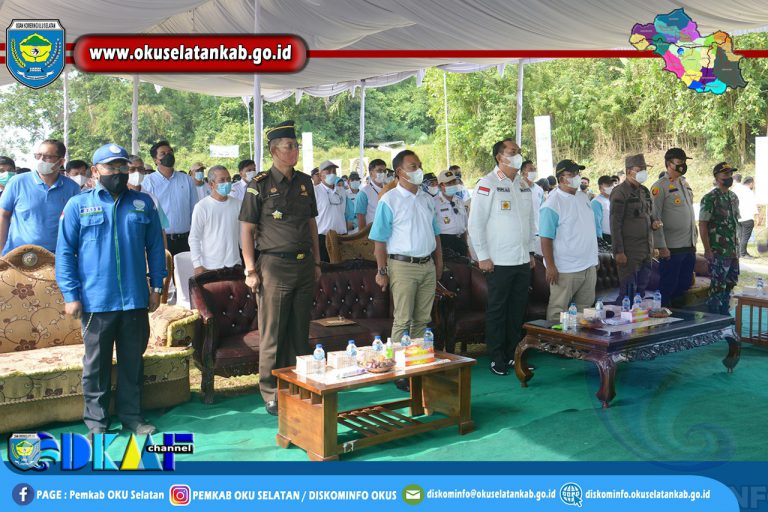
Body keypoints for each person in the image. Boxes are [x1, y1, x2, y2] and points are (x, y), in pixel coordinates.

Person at [56, 143, 166, 436]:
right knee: (96, 366)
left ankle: (132, 416)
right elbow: (65, 253)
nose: (117, 172)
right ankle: (97, 422)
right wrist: (71, 295)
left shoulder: (143, 203)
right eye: (110, 167)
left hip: (134, 299)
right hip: (96, 301)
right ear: (95, 171)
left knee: (133, 363)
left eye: (122, 166)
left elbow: (156, 248)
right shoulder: (78, 205)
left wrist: (157, 286)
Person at [239, 120, 321, 416]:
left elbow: (311, 224)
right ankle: (271, 391)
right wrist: (250, 270)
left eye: (296, 146)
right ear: (274, 151)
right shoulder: (258, 184)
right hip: (274, 266)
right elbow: (246, 230)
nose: (295, 150)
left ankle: (296, 383)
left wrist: (317, 261)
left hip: (304, 264)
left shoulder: (305, 182)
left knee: (299, 330)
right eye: (290, 146)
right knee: (272, 332)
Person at [468, 139, 536, 376]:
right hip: (498, 261)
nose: (518, 155)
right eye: (513, 152)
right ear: (499, 157)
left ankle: (513, 355)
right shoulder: (487, 184)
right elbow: (475, 223)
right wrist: (482, 256)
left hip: (521, 259)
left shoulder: (522, 184)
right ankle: (497, 357)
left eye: (519, 151)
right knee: (497, 311)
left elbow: (529, 222)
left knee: (517, 310)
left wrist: (530, 251)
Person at [370, 149, 443, 352]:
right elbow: (379, 241)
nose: (419, 170)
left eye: (420, 166)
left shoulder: (427, 198)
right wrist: (381, 271)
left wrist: (439, 263)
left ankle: (415, 361)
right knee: (403, 320)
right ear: (400, 172)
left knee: (422, 319)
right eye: (413, 167)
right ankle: (398, 364)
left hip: (427, 265)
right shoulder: (389, 200)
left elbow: (436, 234)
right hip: (403, 266)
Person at [540, 159, 598, 321]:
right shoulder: (552, 203)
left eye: (578, 173)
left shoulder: (583, 197)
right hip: (565, 269)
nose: (577, 177)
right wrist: (550, 266)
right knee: (558, 311)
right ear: (561, 178)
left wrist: (594, 259)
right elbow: (545, 238)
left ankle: (580, 339)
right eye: (572, 174)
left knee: (586, 313)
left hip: (588, 265)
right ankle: (553, 338)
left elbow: (588, 229)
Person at [0, 140, 80, 255]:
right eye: (38, 155)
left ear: (61, 161)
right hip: (18, 255)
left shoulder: (72, 188)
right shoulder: (18, 182)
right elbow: (3, 215)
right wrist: (1, 252)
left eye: (48, 157)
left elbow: (75, 223)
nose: (41, 160)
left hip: (55, 256)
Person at [650, 148, 697, 307]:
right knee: (668, 286)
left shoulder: (684, 183)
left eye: (684, 162)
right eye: (679, 162)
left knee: (684, 284)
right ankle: (663, 313)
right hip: (671, 247)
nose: (682, 165)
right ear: (669, 164)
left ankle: (679, 315)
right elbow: (655, 218)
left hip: (689, 245)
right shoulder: (659, 187)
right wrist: (661, 246)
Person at [610, 154, 661, 302]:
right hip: (629, 250)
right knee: (628, 292)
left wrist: (654, 223)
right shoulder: (620, 192)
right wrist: (619, 251)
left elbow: (648, 214)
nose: (643, 172)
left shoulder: (644, 191)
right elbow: (615, 223)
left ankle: (639, 315)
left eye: (645, 169)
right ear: (628, 171)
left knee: (641, 290)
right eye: (640, 170)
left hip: (646, 249)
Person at [142, 140, 199, 255]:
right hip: (160, 240)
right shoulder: (148, 182)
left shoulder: (187, 180)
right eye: (163, 153)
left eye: (170, 152)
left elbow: (194, 210)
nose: (168, 155)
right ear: (155, 160)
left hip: (185, 240)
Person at [699, 163, 741, 315]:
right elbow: (703, 224)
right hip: (718, 250)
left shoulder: (733, 197)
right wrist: (707, 250)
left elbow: (734, 223)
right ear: (717, 178)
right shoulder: (710, 198)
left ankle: (724, 310)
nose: (729, 177)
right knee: (718, 285)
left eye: (730, 174)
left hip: (733, 250)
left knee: (731, 282)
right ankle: (713, 314)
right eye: (725, 174)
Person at [189, 165, 241, 274]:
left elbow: (243, 235)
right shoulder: (202, 207)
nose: (227, 183)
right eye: (222, 180)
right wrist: (197, 264)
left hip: (234, 264)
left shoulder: (238, 204)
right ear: (211, 184)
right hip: (210, 266)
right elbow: (194, 237)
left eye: (228, 179)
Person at [314, 160, 350, 262]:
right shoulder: (315, 191)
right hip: (323, 238)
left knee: (343, 268)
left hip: (342, 237)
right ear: (320, 175)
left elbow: (344, 214)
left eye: (334, 171)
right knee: (326, 269)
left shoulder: (341, 191)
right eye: (328, 171)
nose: (332, 174)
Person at [434, 169, 469, 257]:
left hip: (460, 242)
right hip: (444, 244)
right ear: (441, 185)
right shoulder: (434, 203)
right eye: (449, 183)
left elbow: (464, 227)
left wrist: (467, 248)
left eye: (454, 182)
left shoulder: (459, 201)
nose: (453, 185)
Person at [355, 158, 387, 230]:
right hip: (372, 233)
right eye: (379, 171)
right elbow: (360, 218)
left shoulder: (388, 189)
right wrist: (364, 236)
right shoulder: (363, 193)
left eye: (384, 171)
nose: (383, 173)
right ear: (371, 173)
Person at [732, 173, 757, 258]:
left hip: (738, 217)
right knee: (745, 237)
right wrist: (757, 215)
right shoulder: (749, 192)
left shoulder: (737, 190)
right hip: (747, 217)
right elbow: (753, 205)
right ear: (751, 183)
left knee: (740, 236)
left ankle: (741, 252)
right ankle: (743, 253)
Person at [521, 160, 544, 237]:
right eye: (531, 169)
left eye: (534, 169)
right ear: (523, 172)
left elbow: (542, 211)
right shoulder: (516, 188)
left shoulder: (539, 190)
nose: (534, 172)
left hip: (537, 233)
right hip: (522, 233)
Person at [591, 175, 614, 246]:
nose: (611, 187)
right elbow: (596, 222)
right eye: (608, 185)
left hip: (614, 236)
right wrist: (599, 239)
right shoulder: (596, 202)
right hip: (604, 237)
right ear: (600, 187)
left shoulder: (613, 200)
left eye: (611, 185)